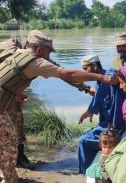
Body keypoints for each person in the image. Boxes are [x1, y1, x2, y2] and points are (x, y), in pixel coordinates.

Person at [0, 30, 115, 182]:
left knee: (9, 139)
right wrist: (102, 77)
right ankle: (9, 179)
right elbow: (67, 74)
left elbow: (7, 74)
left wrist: (14, 92)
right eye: (48, 53)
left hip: (4, 104)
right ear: (40, 50)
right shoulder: (36, 62)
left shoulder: (15, 52)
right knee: (9, 143)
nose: (49, 57)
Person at [77, 54, 126, 174]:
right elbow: (99, 98)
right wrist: (90, 111)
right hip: (106, 126)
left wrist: (91, 110)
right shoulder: (98, 83)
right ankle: (84, 173)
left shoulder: (110, 73)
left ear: (94, 65)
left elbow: (111, 78)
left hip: (121, 127)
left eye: (85, 69)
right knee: (84, 141)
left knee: (84, 141)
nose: (84, 72)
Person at [0, 38, 35, 170]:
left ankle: (16, 157)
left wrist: (17, 94)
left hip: (7, 93)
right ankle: (18, 158)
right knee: (16, 122)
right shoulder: (13, 54)